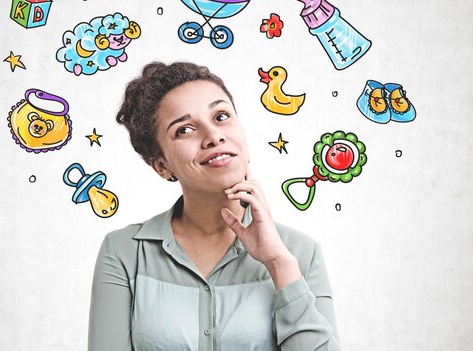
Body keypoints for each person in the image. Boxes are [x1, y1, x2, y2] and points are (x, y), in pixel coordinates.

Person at [88, 61, 341, 350]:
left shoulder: (300, 254)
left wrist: (279, 265)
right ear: (162, 166)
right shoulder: (123, 253)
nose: (213, 136)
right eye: (184, 130)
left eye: (221, 116)